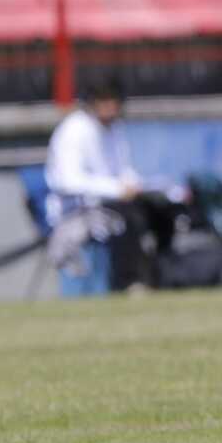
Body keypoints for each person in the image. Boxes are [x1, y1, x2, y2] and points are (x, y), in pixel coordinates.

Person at [44, 76, 166, 292]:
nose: (109, 107)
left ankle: (158, 279)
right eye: (103, 101)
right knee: (127, 218)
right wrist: (116, 189)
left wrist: (134, 185)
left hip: (111, 202)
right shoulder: (74, 130)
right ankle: (127, 283)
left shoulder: (114, 130)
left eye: (113, 101)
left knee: (159, 210)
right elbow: (68, 180)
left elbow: (123, 170)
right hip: (76, 210)